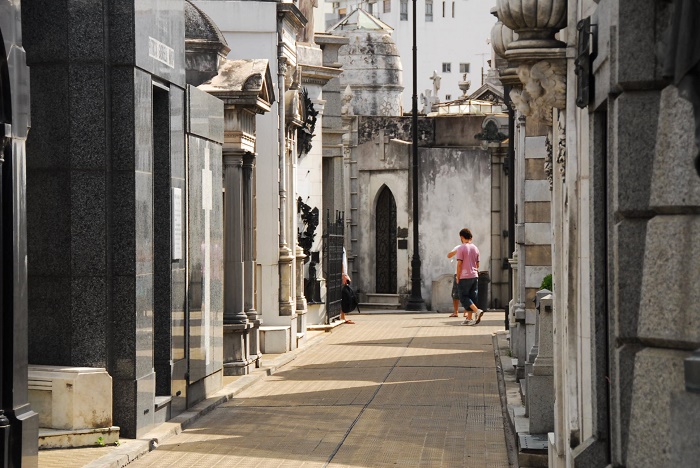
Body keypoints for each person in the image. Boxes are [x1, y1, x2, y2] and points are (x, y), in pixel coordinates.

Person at [455, 228, 484, 325]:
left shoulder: (461, 248)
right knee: (472, 296)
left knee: (463, 297)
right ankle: (469, 318)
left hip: (464, 276)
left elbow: (459, 264)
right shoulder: (475, 248)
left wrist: (458, 277)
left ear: (462, 237)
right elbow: (478, 264)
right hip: (474, 275)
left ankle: (477, 311)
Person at [447, 243, 463, 317]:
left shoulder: (471, 248)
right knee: (455, 293)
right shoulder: (458, 247)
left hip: (466, 274)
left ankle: (466, 312)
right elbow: (449, 255)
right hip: (458, 273)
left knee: (466, 294)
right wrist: (456, 251)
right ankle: (456, 311)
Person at [341, 247, 355, 324]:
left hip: (342, 274)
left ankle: (342, 316)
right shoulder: (340, 248)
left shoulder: (342, 248)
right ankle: (342, 316)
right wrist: (344, 275)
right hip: (341, 275)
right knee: (344, 297)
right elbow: (341, 262)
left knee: (343, 296)